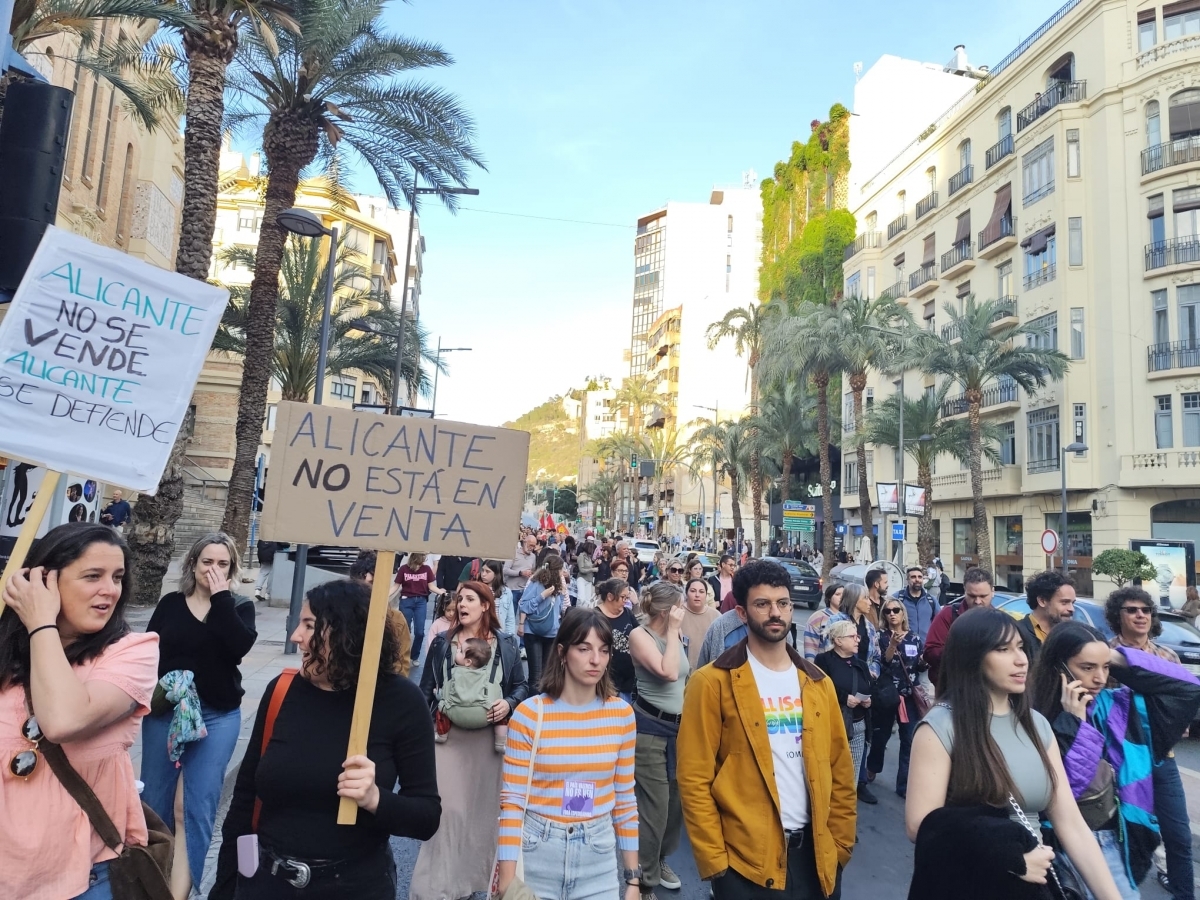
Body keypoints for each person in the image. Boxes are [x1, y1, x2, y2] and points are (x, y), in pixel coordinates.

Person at [211, 579, 440, 900]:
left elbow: (426, 817)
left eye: (309, 625)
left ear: (346, 634)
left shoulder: (401, 702)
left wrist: (375, 799)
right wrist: (226, 886)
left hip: (353, 887)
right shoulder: (282, 691)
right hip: (267, 884)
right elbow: (245, 796)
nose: (295, 637)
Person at [904, 607, 1123, 900]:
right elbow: (921, 826)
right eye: (1003, 649)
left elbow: (1071, 824)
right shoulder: (940, 727)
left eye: (1020, 647)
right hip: (972, 884)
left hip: (1033, 885)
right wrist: (1007, 856)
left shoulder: (1037, 725)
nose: (1021, 659)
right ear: (972, 657)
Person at [678, 559, 855, 899]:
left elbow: (841, 773)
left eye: (783, 603)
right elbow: (693, 778)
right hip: (744, 866)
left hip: (816, 858)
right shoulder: (712, 683)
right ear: (742, 613)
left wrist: (841, 845)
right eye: (763, 604)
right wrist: (717, 864)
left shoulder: (819, 684)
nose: (776, 613)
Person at [0, 524, 158, 900]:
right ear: (44, 580)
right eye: (93, 576)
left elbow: (63, 721)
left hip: (83, 879)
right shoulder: (6, 655)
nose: (110, 590)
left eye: (117, 577)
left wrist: (40, 622)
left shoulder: (132, 651)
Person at [1030, 618, 1200, 900]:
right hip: (1068, 843)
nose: (1099, 677)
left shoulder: (1118, 704)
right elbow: (1067, 792)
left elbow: (1189, 687)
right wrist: (1075, 725)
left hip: (1124, 835)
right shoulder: (1035, 716)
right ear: (1057, 667)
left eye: (1105, 667)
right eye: (1087, 667)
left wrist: (1111, 655)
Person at [142, 533, 257, 899]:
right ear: (193, 564)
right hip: (166, 713)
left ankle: (179, 894)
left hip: (217, 716)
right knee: (155, 805)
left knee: (192, 808)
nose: (214, 569)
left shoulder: (238, 606)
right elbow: (148, 653)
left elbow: (238, 647)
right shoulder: (171, 604)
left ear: (232, 569)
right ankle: (151, 883)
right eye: (207, 562)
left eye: (223, 564)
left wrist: (221, 597)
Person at [495, 607, 639, 900]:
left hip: (597, 854)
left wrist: (633, 881)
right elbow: (512, 802)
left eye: (603, 650)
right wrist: (507, 883)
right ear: (562, 652)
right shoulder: (530, 715)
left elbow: (624, 798)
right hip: (538, 851)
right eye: (584, 648)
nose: (595, 660)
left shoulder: (622, 715)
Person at [413, 581, 528, 900]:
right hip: (447, 741)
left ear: (486, 606)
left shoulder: (505, 643)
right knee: (448, 814)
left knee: (482, 819)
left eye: (469, 599)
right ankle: (437, 889)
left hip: (491, 746)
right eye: (459, 598)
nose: (461, 603)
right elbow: (424, 691)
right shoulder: (441, 643)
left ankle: (470, 884)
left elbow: (521, 686)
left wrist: (509, 703)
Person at [1106, 587, 1196, 900]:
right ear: (1118, 616)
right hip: (1120, 763)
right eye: (1131, 610)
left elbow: (1183, 699)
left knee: (1179, 835)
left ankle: (1184, 894)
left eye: (1145, 610)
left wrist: (1178, 723)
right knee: (1125, 833)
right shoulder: (1105, 657)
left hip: (1162, 758)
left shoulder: (1166, 656)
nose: (1141, 615)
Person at [629, 581, 690, 899]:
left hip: (679, 731)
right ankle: (645, 881)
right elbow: (667, 672)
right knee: (654, 810)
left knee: (675, 805)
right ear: (667, 611)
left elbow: (683, 675)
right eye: (678, 606)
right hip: (651, 730)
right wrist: (673, 631)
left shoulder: (674, 634)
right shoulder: (640, 635)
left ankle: (660, 860)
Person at [867, 599, 924, 798]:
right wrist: (892, 644)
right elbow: (884, 661)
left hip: (908, 696)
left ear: (902, 614)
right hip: (887, 694)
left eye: (896, 610)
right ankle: (871, 769)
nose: (892, 614)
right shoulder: (881, 636)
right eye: (887, 611)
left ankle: (904, 785)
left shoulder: (915, 638)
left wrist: (926, 661)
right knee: (880, 737)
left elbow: (919, 665)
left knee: (908, 739)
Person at [814, 619, 874, 796]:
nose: (857, 640)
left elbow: (870, 688)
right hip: (834, 725)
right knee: (830, 769)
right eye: (852, 636)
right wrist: (843, 697)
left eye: (858, 636)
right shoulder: (823, 660)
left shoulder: (861, 664)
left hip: (858, 726)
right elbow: (818, 688)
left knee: (852, 773)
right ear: (838, 640)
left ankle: (847, 809)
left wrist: (869, 700)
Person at [923, 567, 995, 687]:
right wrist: (961, 652)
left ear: (993, 591)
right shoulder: (947, 614)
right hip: (953, 691)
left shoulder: (1000, 620)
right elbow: (930, 652)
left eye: (983, 596)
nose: (977, 601)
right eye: (972, 596)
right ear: (964, 591)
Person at [349, 550, 413, 673]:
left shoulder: (396, 619)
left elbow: (401, 665)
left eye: (372, 583)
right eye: (362, 583)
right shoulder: (338, 614)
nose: (367, 589)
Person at [519, 554, 568, 688]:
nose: (561, 573)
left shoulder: (558, 585)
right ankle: (532, 706)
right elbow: (524, 605)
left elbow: (560, 610)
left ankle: (544, 705)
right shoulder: (536, 584)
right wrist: (542, 596)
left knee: (547, 674)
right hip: (533, 632)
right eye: (559, 569)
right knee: (535, 676)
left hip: (551, 633)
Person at [391, 552, 446, 665]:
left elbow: (431, 586)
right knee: (405, 630)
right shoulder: (404, 569)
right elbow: (396, 586)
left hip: (421, 601)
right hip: (406, 600)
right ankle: (401, 654)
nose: (423, 562)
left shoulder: (426, 569)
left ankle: (414, 656)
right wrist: (383, 596)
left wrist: (442, 593)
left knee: (420, 632)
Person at [1014, 570, 1077, 665]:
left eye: (1072, 603)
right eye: (1064, 602)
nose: (1071, 609)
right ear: (1042, 601)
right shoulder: (1017, 633)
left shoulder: (1071, 635)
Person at [596, 577, 639, 701]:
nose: (625, 601)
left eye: (627, 598)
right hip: (606, 681)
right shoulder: (596, 616)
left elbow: (639, 634)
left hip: (628, 680)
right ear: (610, 596)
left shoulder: (627, 613)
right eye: (623, 597)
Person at [681, 578, 720, 669]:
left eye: (701, 592)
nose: (697, 595)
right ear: (686, 593)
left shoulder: (716, 616)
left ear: (706, 595)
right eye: (693, 591)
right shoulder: (678, 613)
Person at [894, 565, 938, 642]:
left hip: (926, 646)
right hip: (903, 646)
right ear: (907, 579)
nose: (917, 579)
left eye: (920, 577)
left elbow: (939, 623)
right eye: (913, 577)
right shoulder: (897, 598)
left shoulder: (931, 600)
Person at [504, 533, 538, 626]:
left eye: (534, 546)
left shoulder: (533, 556)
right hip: (512, 590)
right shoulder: (514, 553)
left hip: (526, 591)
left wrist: (532, 574)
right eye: (530, 545)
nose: (532, 548)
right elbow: (505, 570)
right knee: (510, 617)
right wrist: (520, 573)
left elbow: (533, 570)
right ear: (524, 542)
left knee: (524, 619)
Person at [803, 583, 845, 660]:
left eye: (844, 595)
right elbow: (810, 646)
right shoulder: (818, 617)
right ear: (829, 597)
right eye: (837, 594)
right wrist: (812, 667)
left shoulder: (849, 617)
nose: (841, 597)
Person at [481, 559, 517, 635]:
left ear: (496, 574)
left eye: (487, 571)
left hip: (499, 633)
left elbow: (510, 618)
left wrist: (509, 637)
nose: (483, 574)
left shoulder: (506, 592)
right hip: (481, 632)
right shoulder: (477, 589)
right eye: (482, 570)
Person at [576, 540, 598, 606]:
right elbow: (581, 569)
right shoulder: (581, 556)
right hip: (582, 579)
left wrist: (594, 564)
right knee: (581, 598)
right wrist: (593, 569)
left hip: (589, 579)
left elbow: (588, 566)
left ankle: (585, 613)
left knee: (587, 600)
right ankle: (577, 612)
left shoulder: (589, 557)